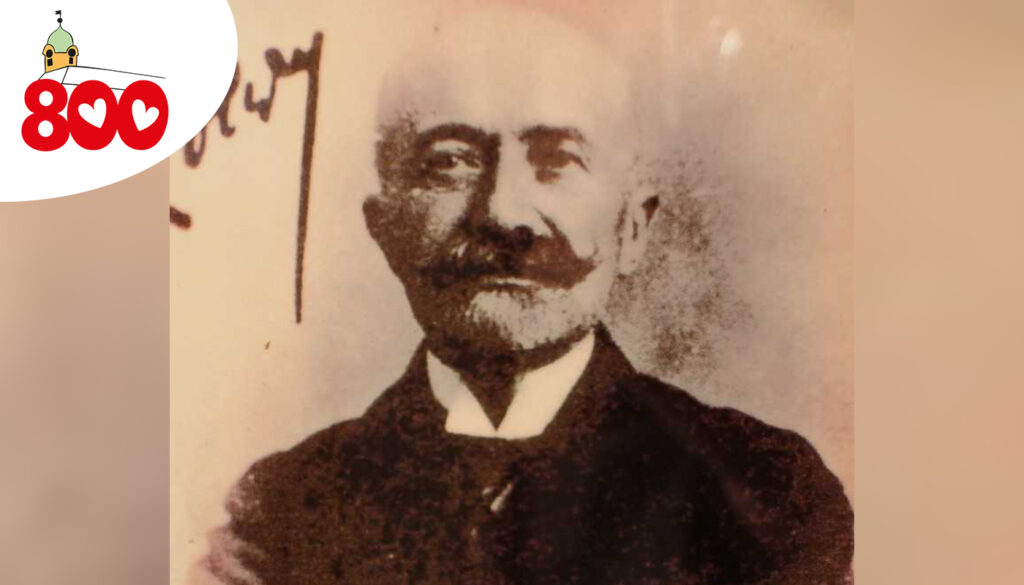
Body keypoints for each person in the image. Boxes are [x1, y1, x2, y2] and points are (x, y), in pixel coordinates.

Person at [196, 11, 853, 585]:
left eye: (558, 159)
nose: (503, 213)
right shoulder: (278, 514)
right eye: (450, 161)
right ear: (385, 227)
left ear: (632, 228)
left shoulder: (766, 495)